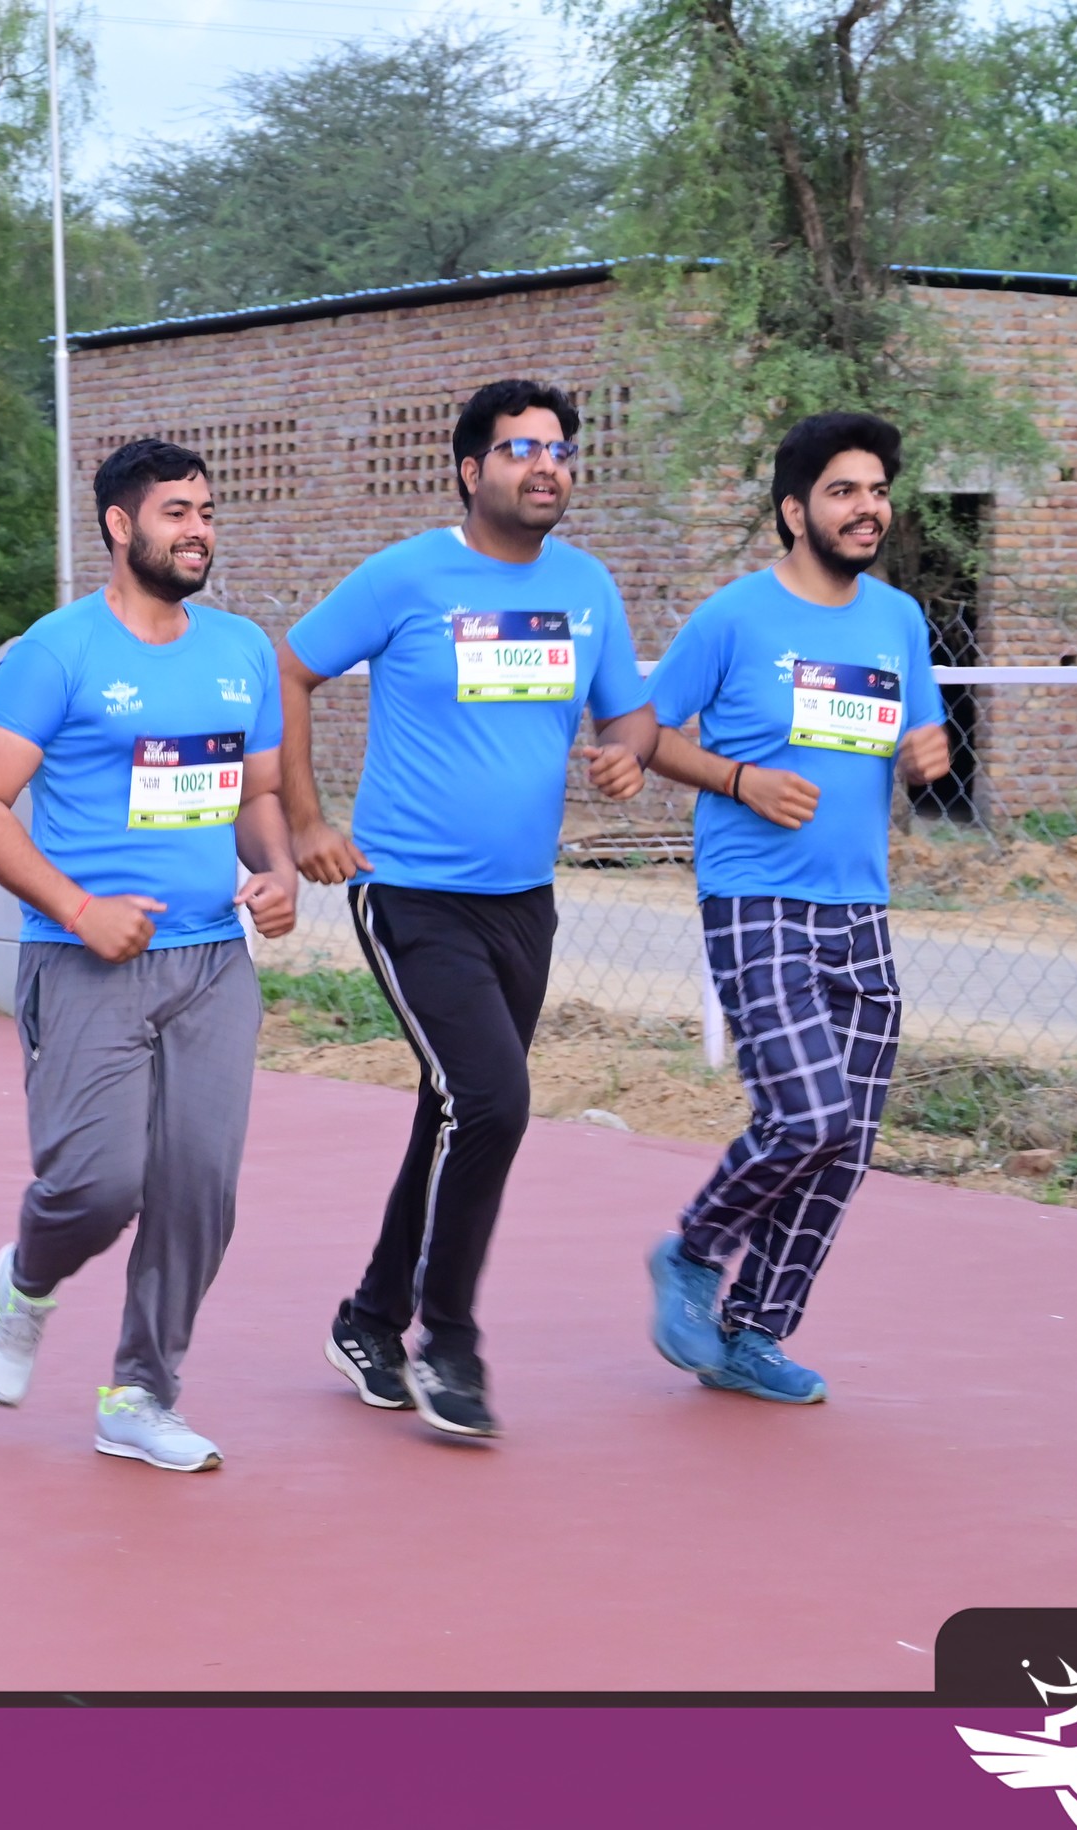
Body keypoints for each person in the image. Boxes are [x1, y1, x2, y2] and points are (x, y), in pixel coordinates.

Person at [277, 379, 656, 1441]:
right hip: (410, 891)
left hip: (523, 903)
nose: (547, 467)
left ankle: (368, 1318)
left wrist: (625, 755)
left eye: (561, 451)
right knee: (491, 1101)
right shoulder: (405, 575)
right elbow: (289, 670)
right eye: (522, 449)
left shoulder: (587, 586)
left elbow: (629, 715)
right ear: (470, 469)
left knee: (453, 1109)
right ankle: (448, 1338)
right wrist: (306, 820)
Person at [0, 438, 299, 1472]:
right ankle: (27, 1281)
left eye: (207, 513)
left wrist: (275, 871)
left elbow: (257, 793)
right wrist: (79, 906)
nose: (198, 531)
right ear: (119, 524)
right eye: (176, 512)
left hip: (212, 964)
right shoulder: (57, 652)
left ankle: (142, 1393)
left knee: (198, 1190)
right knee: (96, 1186)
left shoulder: (241, 650)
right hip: (84, 960)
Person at [640, 411, 952, 1404]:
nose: (867, 509)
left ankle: (753, 1335)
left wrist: (927, 755)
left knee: (847, 1141)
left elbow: (922, 736)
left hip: (861, 906)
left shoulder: (898, 619)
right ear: (793, 510)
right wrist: (741, 779)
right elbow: (644, 731)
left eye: (877, 491)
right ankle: (694, 1249)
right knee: (806, 1112)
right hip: (756, 897)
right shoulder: (735, 617)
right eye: (843, 491)